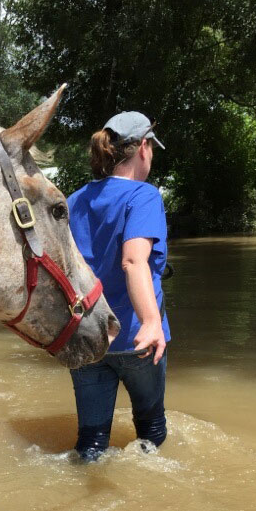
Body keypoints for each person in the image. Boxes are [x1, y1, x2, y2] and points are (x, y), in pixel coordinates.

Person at [67, 111, 170, 462]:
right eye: (152, 147)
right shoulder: (144, 197)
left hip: (86, 337)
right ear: (143, 147)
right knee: (151, 430)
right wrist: (152, 322)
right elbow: (133, 260)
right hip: (137, 339)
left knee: (91, 441)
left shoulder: (74, 201)